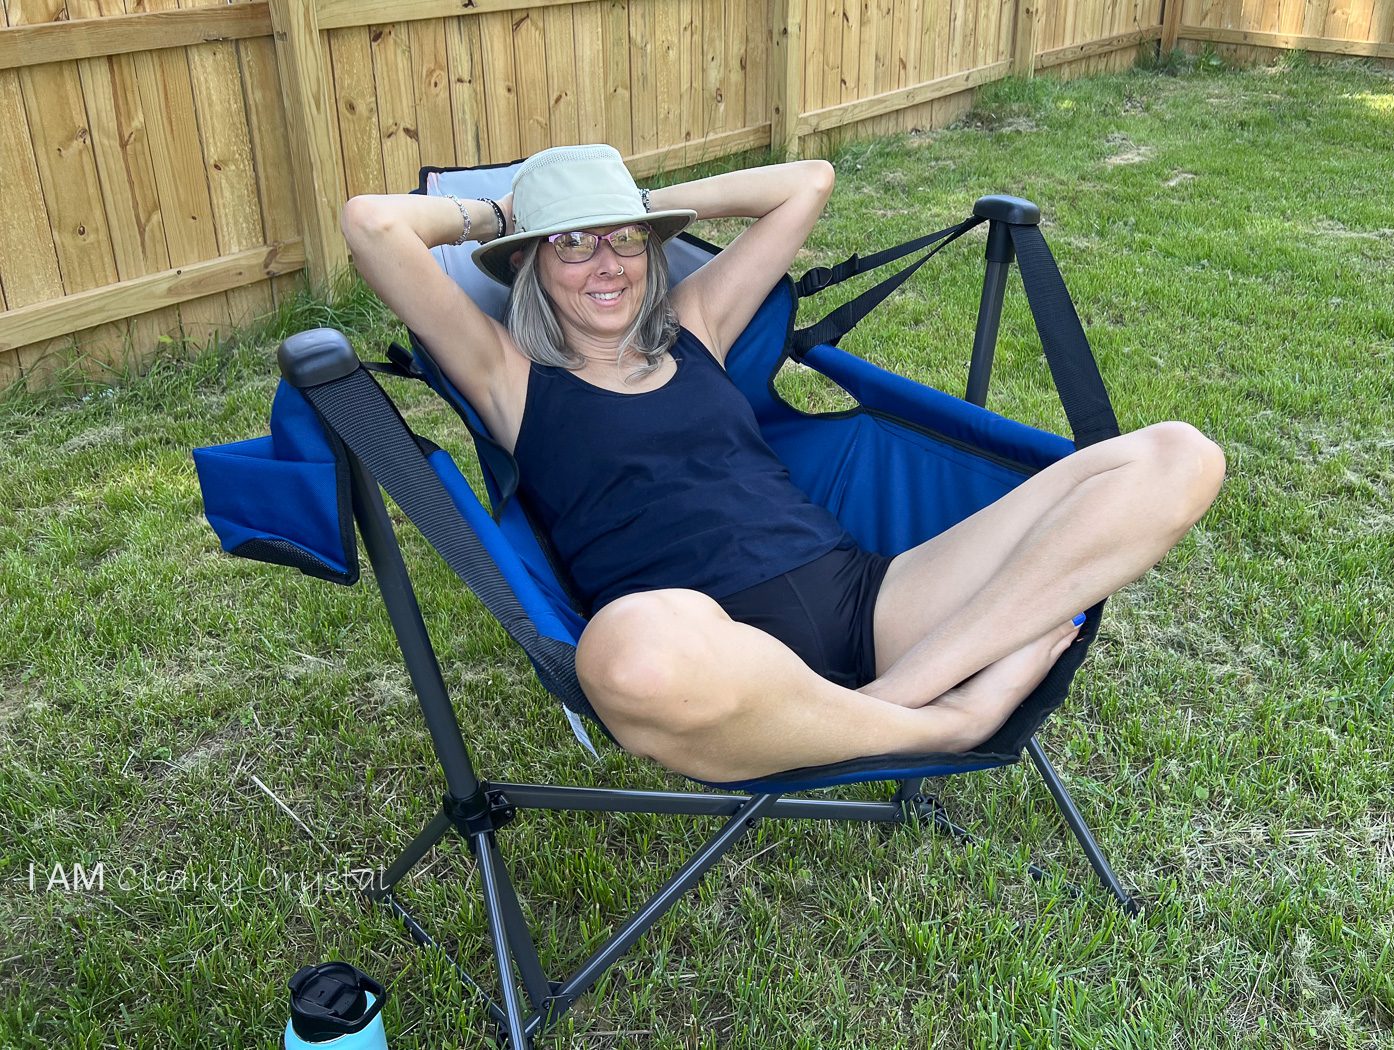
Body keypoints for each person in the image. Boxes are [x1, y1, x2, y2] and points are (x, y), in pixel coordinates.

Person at [340, 144, 1225, 784]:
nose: (603, 263)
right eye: (572, 245)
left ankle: (905, 703)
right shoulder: (509, 376)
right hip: (711, 656)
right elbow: (373, 225)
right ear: (532, 265)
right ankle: (952, 721)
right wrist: (510, 215)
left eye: (623, 240)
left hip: (869, 601)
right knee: (625, 660)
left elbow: (808, 183)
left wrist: (641, 201)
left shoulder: (698, 327)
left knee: (1177, 458)